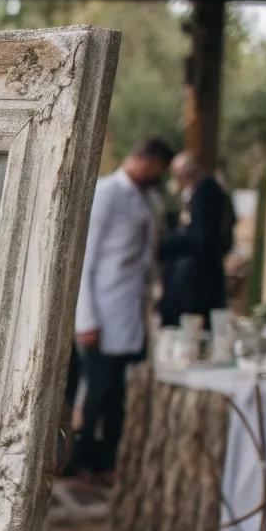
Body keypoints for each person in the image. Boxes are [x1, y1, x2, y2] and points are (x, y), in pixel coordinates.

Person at [72, 137, 173, 478]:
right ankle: (80, 459)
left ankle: (108, 461)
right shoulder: (107, 193)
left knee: (118, 395)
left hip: (132, 311)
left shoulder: (147, 199)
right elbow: (85, 259)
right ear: (146, 161)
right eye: (158, 168)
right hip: (103, 311)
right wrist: (86, 318)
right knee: (97, 392)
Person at [159, 151, 235, 327]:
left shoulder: (206, 193)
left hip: (197, 277)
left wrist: (164, 246)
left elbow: (202, 237)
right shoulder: (205, 191)